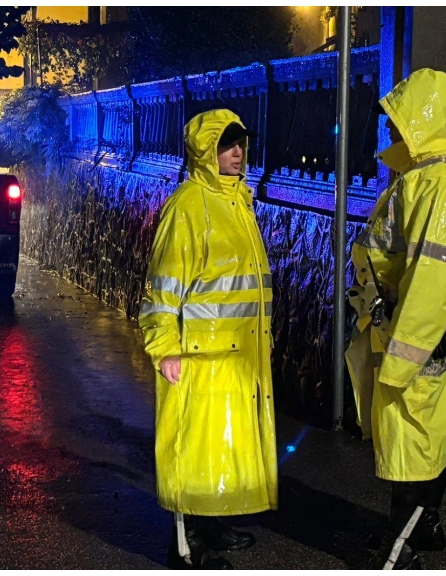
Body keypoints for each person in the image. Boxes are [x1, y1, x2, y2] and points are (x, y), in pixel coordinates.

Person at [345, 68, 446, 569]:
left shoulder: (440, 185)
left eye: (398, 121)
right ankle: (420, 527)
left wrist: (405, 355)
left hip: (415, 331)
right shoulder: (428, 179)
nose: (390, 130)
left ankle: (402, 542)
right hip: (413, 326)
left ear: (422, 121)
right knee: (419, 434)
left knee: (413, 439)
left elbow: (431, 279)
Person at [139, 109, 278, 570]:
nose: (237, 153)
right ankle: (188, 542)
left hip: (236, 353)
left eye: (240, 143)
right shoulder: (188, 206)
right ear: (206, 151)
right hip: (198, 355)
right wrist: (165, 348)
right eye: (227, 144)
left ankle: (213, 523)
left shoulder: (238, 201)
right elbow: (164, 287)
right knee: (191, 450)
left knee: (221, 448)